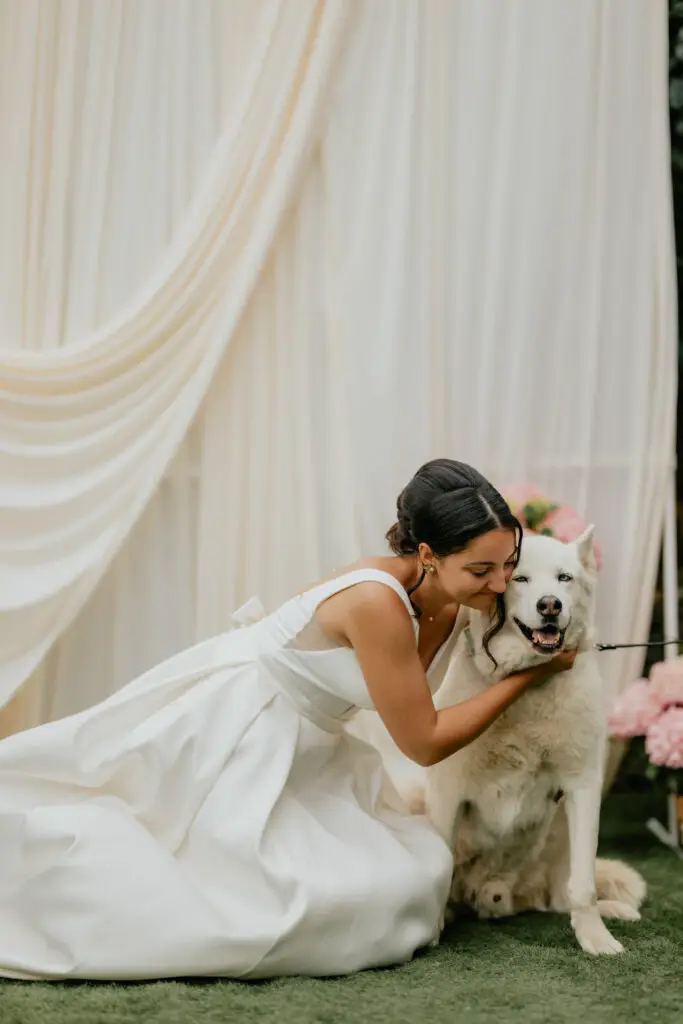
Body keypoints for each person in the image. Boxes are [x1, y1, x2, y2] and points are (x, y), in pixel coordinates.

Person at [0, 459, 575, 981]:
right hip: (239, 727)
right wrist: (527, 678)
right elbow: (422, 742)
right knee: (239, 893)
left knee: (414, 872)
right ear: (427, 555)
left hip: (309, 742)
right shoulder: (378, 603)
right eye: (483, 569)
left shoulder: (452, 597)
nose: (499, 584)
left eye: (508, 565)